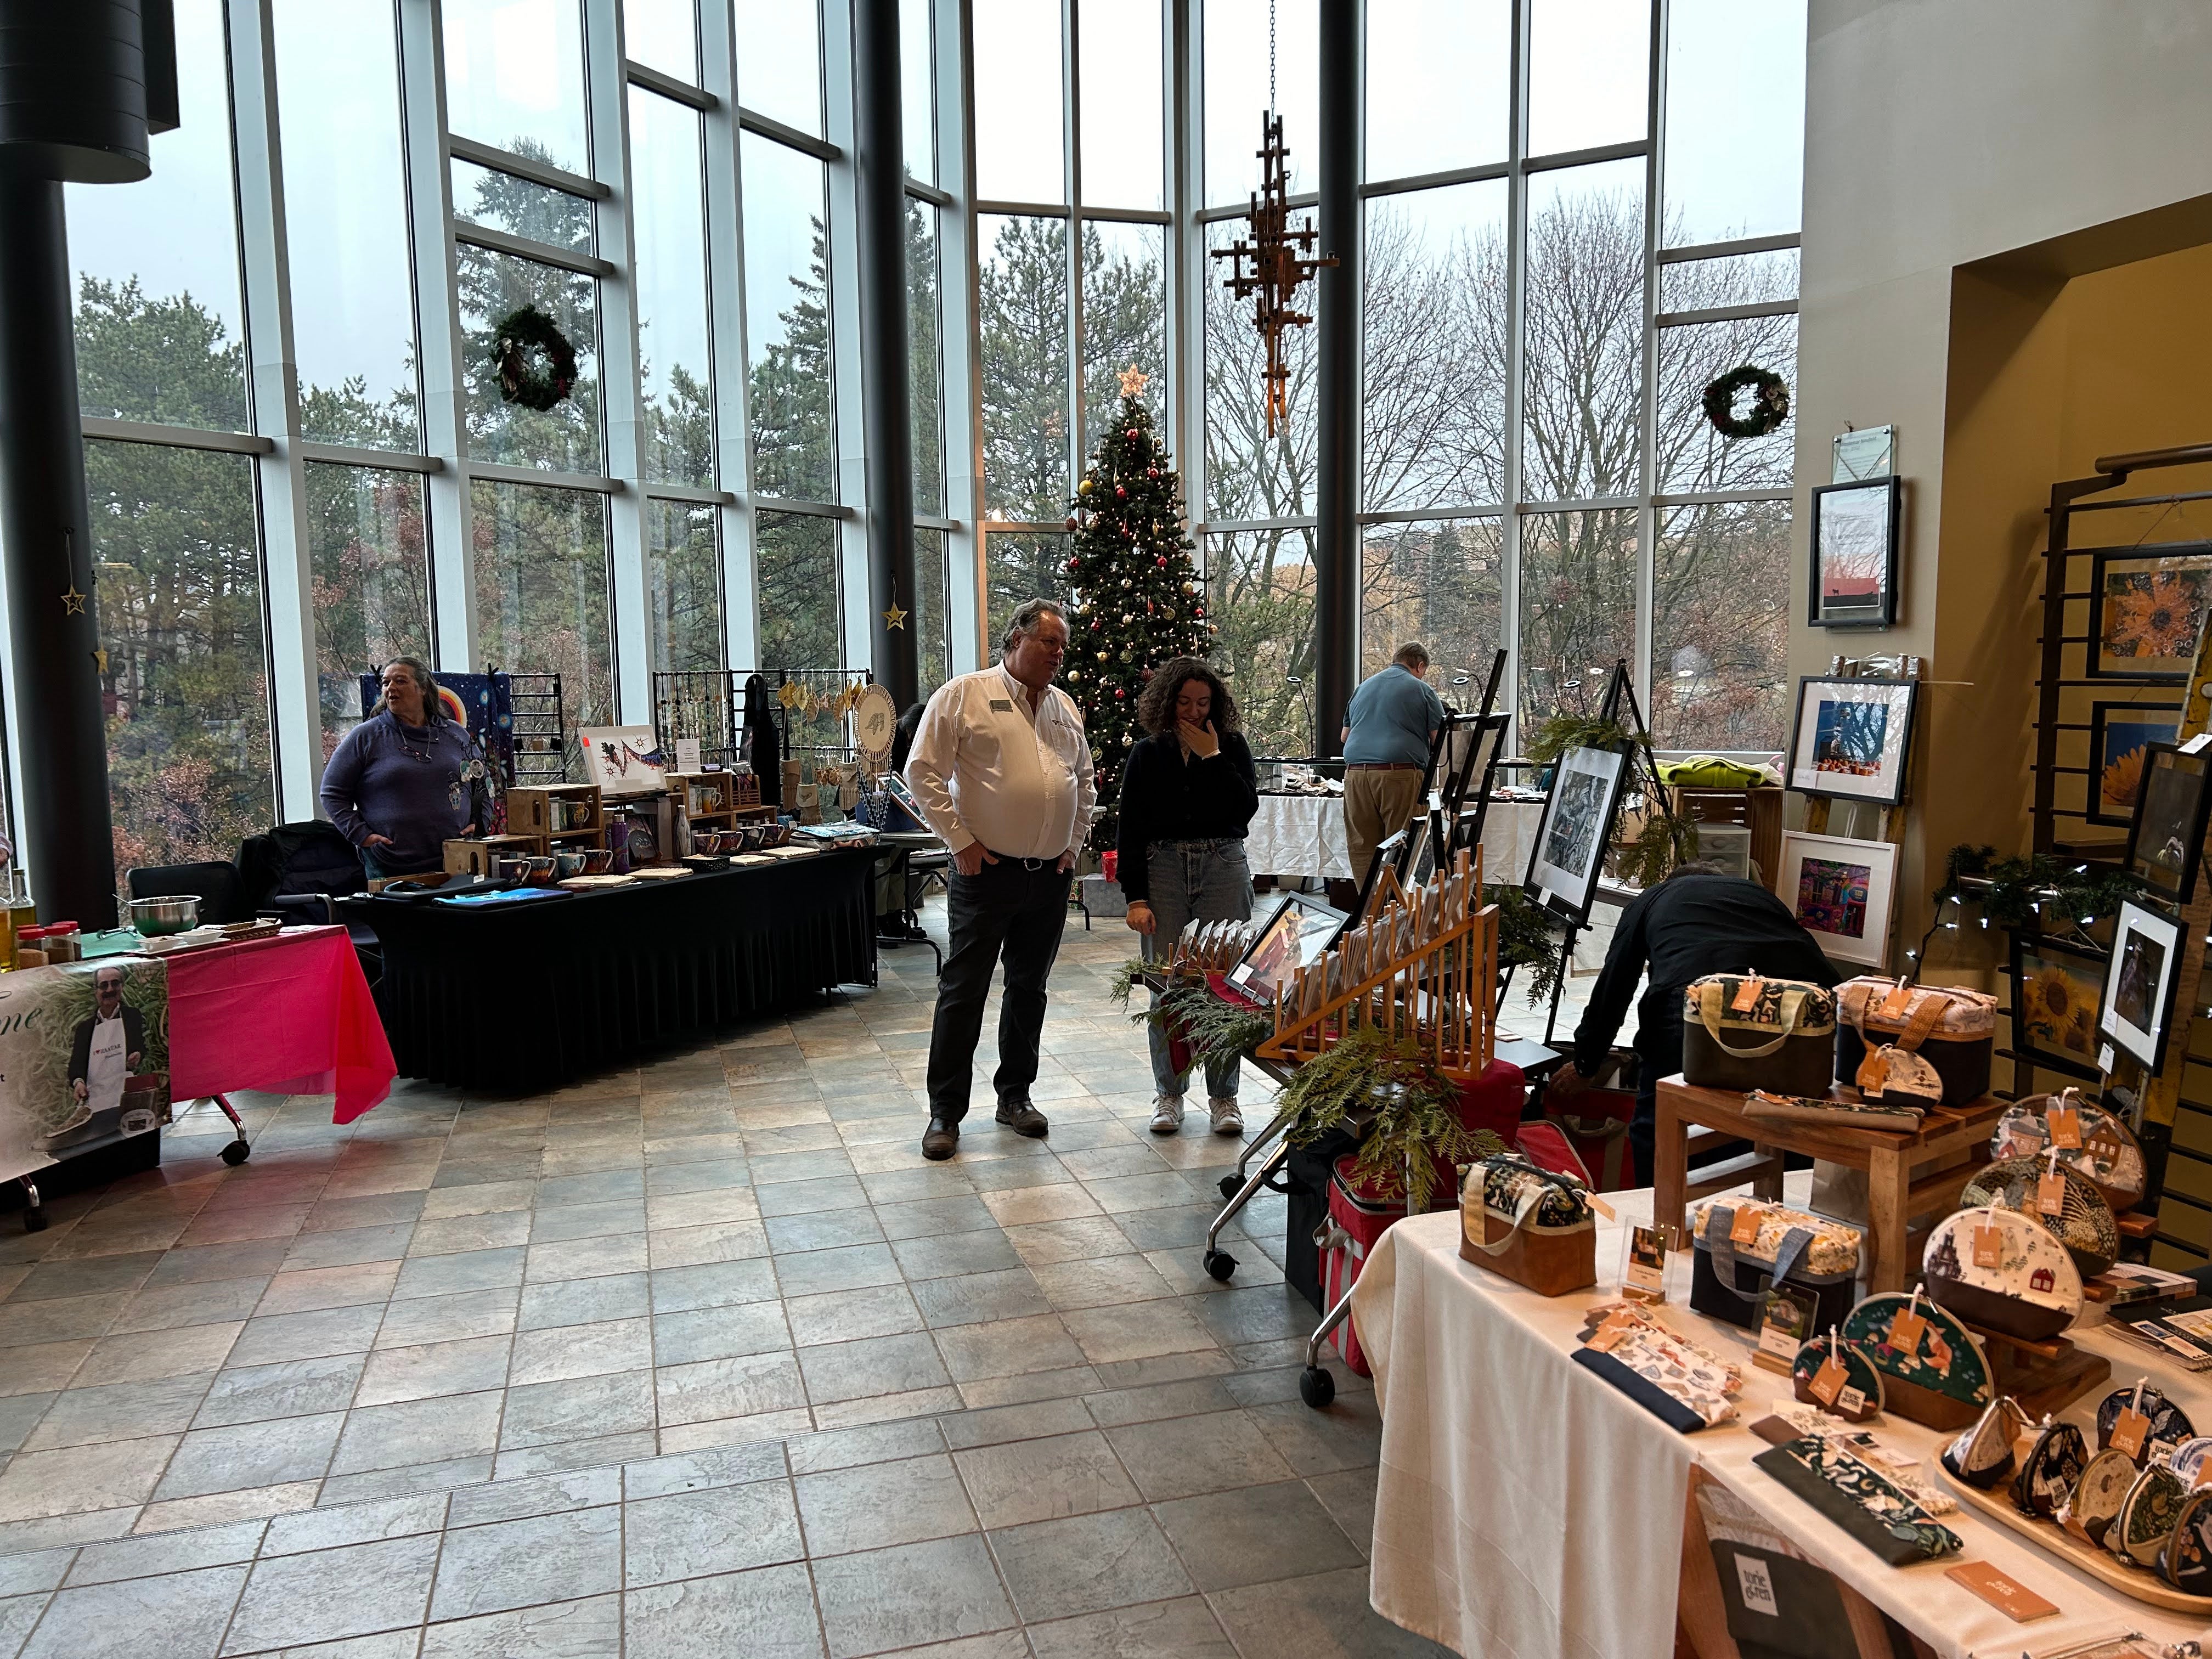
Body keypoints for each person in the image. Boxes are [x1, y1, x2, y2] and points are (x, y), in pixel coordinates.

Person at [905, 599, 1096, 1160]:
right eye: (1049, 643)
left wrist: (1074, 847)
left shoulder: (1064, 708)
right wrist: (959, 841)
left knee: (1028, 990)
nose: (1059, 654)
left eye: (1063, 646)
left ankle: (1015, 1096)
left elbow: (1083, 782)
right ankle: (945, 1113)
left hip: (1048, 879)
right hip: (985, 873)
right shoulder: (964, 695)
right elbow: (922, 771)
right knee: (963, 991)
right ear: (1015, 640)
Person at [1550, 861, 1839, 1187]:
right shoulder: (1760, 895)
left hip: (1694, 996)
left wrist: (1587, 1062)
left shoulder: (1652, 898)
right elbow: (1816, 967)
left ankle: (1658, 1216)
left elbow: (1616, 984)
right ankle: (1781, 1207)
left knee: (1660, 1120)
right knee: (1783, 1115)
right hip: (1790, 1001)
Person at [1118, 657, 1259, 1136]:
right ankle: (1169, 1094)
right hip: (1163, 869)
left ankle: (1225, 1099)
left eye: (1203, 703)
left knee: (1224, 984)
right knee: (1167, 985)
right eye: (1184, 702)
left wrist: (1214, 758)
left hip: (1223, 863)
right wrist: (1136, 896)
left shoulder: (1232, 746)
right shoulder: (1147, 753)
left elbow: (1245, 809)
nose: (1194, 712)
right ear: (1167, 702)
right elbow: (1131, 829)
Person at [320, 657, 493, 879]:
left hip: (457, 860)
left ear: (423, 688)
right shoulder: (365, 737)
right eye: (385, 683)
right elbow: (331, 793)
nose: (390, 688)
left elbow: (483, 783)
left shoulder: (455, 734)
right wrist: (362, 835)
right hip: (391, 863)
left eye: (400, 681)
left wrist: (480, 823)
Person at [1339, 642, 1444, 905]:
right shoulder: (1422, 689)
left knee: (1362, 847)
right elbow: (1440, 741)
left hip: (1356, 776)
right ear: (1420, 666)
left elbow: (1344, 736)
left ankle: (1370, 915)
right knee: (1402, 844)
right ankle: (1397, 915)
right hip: (1399, 775)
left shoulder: (1363, 687)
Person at [66, 964, 144, 1129]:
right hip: (95, 1100)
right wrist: (78, 1083)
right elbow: (76, 1064)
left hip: (126, 1095)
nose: (110, 989)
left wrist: (137, 1055)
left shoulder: (133, 1016)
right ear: (96, 991)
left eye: (115, 984)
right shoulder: (85, 1028)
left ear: (122, 987)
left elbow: (142, 1047)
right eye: (104, 985)